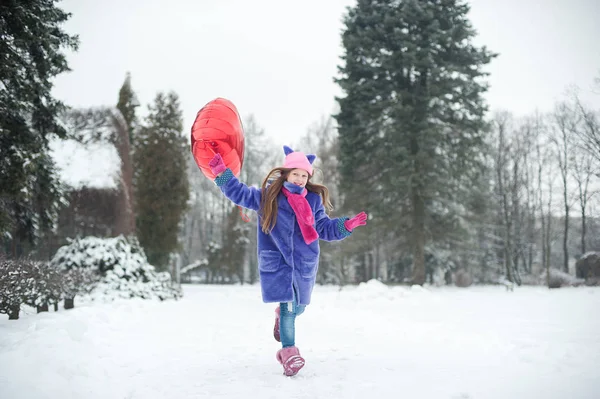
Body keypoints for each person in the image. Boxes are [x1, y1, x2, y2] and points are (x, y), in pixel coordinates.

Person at [208, 145, 367, 376]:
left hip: (304, 264)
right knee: (290, 309)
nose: (301, 179)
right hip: (279, 263)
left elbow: (323, 228)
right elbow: (240, 193)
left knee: (298, 308)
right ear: (286, 173)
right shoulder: (268, 196)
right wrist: (223, 173)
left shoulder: (313, 200)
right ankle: (289, 354)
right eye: (296, 174)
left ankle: (280, 317)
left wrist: (346, 225)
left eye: (304, 175)